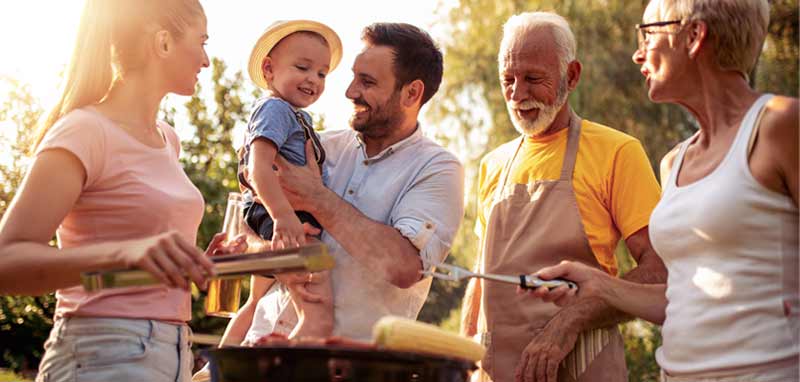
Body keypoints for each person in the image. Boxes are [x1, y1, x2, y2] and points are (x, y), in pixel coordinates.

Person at [527, 1, 799, 381]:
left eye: (648, 34)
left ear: (694, 36)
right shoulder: (673, 163)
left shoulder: (781, 126)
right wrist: (602, 287)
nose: (638, 52)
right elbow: (682, 299)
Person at [0, 1, 241, 381]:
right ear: (163, 43)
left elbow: (142, 246)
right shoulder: (84, 130)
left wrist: (194, 259)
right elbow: (6, 262)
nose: (206, 61)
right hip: (103, 350)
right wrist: (127, 252)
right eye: (201, 41)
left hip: (172, 348)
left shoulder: (168, 140)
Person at [458, 12, 667, 382]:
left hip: (583, 364)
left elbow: (659, 270)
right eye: (508, 80)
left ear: (571, 76)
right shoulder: (493, 164)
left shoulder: (617, 151)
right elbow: (481, 277)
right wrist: (462, 357)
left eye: (533, 79)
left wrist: (567, 322)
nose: (517, 95)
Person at [232, 21, 465, 342]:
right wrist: (275, 255)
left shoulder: (437, 169)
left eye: (366, 82)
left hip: (345, 366)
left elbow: (404, 267)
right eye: (353, 77)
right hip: (260, 346)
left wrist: (316, 197)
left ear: (412, 93)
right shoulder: (315, 145)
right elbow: (250, 220)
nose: (349, 91)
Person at [234, 19, 343, 342]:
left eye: (322, 73)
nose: (314, 79)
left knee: (255, 300)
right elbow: (258, 168)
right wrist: (283, 217)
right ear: (269, 69)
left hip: (276, 212)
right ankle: (295, 349)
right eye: (302, 67)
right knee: (317, 306)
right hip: (279, 214)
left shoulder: (294, 114)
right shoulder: (275, 109)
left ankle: (212, 369)